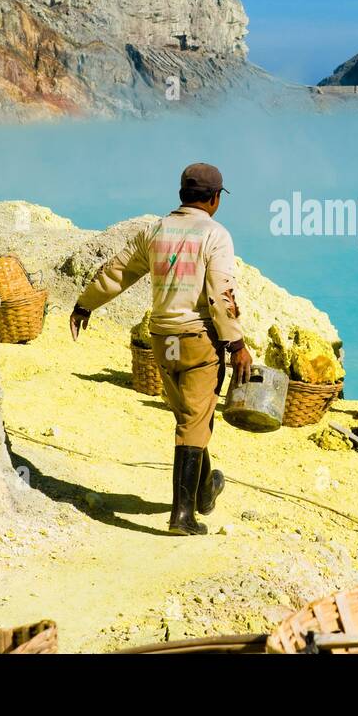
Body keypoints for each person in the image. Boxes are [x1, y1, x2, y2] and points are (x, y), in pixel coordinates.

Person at [69, 163, 253, 535]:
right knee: (193, 421)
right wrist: (236, 343)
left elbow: (117, 272)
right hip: (197, 340)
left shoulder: (154, 231)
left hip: (163, 341)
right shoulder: (215, 235)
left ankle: (204, 490)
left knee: (189, 417)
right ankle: (182, 516)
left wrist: (84, 303)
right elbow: (221, 296)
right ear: (215, 199)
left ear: (182, 194)